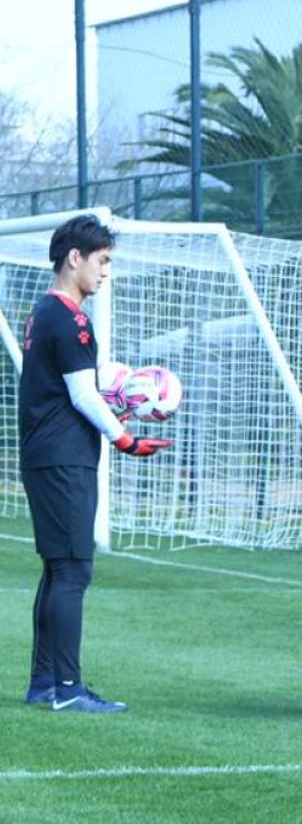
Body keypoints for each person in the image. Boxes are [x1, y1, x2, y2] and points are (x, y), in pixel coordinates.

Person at [19, 213, 172, 713]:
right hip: (64, 460)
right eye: (102, 261)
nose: (106, 272)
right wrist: (126, 439)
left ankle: (44, 683)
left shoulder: (43, 312)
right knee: (72, 572)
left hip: (47, 455)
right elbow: (83, 395)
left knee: (57, 569)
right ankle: (67, 690)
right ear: (74, 258)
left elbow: (75, 385)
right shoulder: (71, 317)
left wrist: (116, 392)